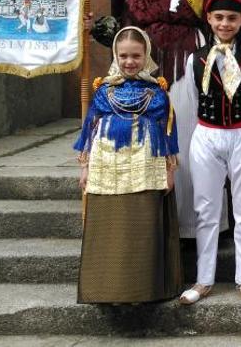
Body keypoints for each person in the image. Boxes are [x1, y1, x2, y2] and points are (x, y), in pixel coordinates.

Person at [122, 0, 220, 239]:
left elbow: (222, 26)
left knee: (192, 143)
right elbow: (129, 28)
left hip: (191, 70)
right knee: (153, 142)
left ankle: (196, 226)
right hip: (151, 71)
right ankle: (157, 225)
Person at [73, 26, 182, 303]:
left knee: (140, 226)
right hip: (107, 163)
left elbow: (168, 131)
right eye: (124, 56)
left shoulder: (157, 93)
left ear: (146, 55)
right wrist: (85, 166)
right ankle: (106, 289)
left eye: (136, 55)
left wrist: (170, 171)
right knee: (111, 228)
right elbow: (89, 130)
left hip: (146, 163)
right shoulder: (102, 92)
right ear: (115, 56)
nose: (130, 62)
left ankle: (141, 289)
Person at [180, 0, 241, 306]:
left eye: (232, 18)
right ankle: (204, 279)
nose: (225, 24)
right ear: (209, 19)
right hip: (207, 134)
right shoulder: (196, 59)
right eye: (219, 17)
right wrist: (196, 139)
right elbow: (192, 101)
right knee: (206, 210)